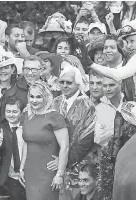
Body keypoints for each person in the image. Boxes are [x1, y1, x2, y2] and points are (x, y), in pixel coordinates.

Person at [19, 81, 69, 200]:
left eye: (38, 97)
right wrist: (21, 168)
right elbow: (27, 143)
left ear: (46, 97)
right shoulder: (26, 115)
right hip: (31, 172)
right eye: (32, 96)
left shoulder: (55, 117)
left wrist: (60, 173)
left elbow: (65, 147)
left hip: (49, 172)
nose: (34, 100)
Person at [51, 67, 96, 200]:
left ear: (78, 84)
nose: (64, 86)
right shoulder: (55, 102)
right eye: (62, 82)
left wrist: (64, 161)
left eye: (69, 83)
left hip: (78, 168)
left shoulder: (88, 105)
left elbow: (85, 141)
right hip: (54, 163)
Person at [0, 98, 26, 200]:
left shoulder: (27, 127)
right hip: (11, 176)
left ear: (21, 112)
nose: (11, 115)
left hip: (27, 173)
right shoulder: (1, 128)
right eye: (8, 111)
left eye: (15, 111)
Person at [0, 55, 43, 125]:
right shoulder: (11, 93)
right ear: (22, 70)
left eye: (34, 70)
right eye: (27, 69)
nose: (30, 73)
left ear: (41, 71)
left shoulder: (49, 92)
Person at [95, 74, 123, 147]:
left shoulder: (130, 102)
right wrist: (118, 130)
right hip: (109, 153)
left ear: (120, 85)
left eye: (111, 85)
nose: (108, 89)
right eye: (104, 86)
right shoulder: (98, 109)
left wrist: (108, 133)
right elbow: (98, 139)